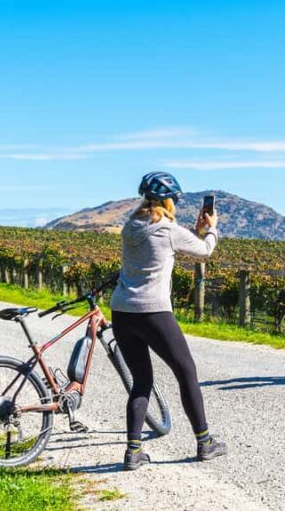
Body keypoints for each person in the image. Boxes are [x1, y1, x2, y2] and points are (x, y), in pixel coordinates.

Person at [110, 171, 227, 470]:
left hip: (122, 312)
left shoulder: (130, 226)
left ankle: (133, 451)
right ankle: (205, 442)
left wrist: (192, 230)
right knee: (186, 371)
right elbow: (204, 251)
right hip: (153, 312)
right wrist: (210, 229)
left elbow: (162, 243)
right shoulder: (168, 229)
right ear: (168, 200)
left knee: (141, 381)